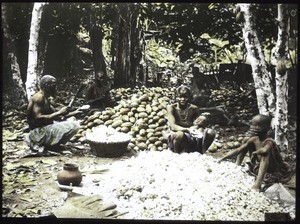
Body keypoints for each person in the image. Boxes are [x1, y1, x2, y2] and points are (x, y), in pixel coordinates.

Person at [218, 114, 292, 191]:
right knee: (246, 140)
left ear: (266, 127)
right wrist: (224, 158)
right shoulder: (254, 139)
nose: (253, 128)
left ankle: (258, 184)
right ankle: (237, 164)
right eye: (253, 125)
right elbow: (238, 150)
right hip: (258, 167)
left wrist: (256, 152)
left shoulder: (269, 141)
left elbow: (265, 150)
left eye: (257, 125)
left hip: (272, 170)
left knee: (264, 154)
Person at [26, 75, 80, 155]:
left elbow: (58, 116)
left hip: (43, 129)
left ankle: (51, 144)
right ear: (47, 85)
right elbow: (38, 118)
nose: (55, 88)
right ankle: (48, 145)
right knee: (75, 125)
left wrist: (75, 112)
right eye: (53, 85)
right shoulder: (39, 97)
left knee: (73, 121)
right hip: (38, 133)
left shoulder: (45, 98)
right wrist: (59, 112)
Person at [166, 85, 217, 154]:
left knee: (210, 132)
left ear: (189, 97)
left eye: (185, 97)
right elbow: (173, 126)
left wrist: (203, 119)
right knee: (179, 134)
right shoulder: (171, 108)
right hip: (177, 132)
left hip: (191, 132)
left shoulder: (193, 108)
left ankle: (200, 152)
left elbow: (199, 123)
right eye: (180, 97)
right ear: (176, 97)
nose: (183, 99)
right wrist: (187, 129)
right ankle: (176, 153)